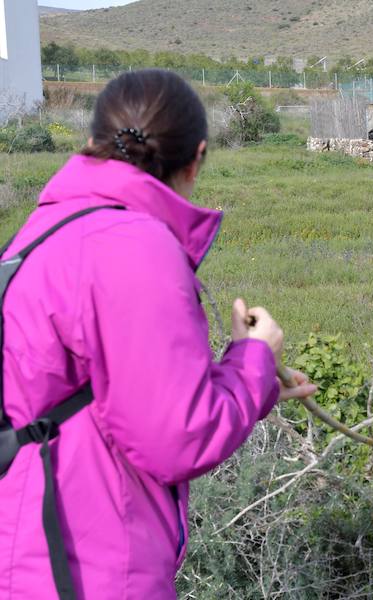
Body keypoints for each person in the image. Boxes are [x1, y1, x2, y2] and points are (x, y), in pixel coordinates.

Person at [0, 70, 317, 600]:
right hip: (87, 564)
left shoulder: (44, 229)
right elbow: (176, 438)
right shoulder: (133, 245)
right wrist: (254, 357)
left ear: (92, 140)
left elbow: (101, 393)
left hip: (28, 544)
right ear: (196, 158)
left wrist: (250, 384)